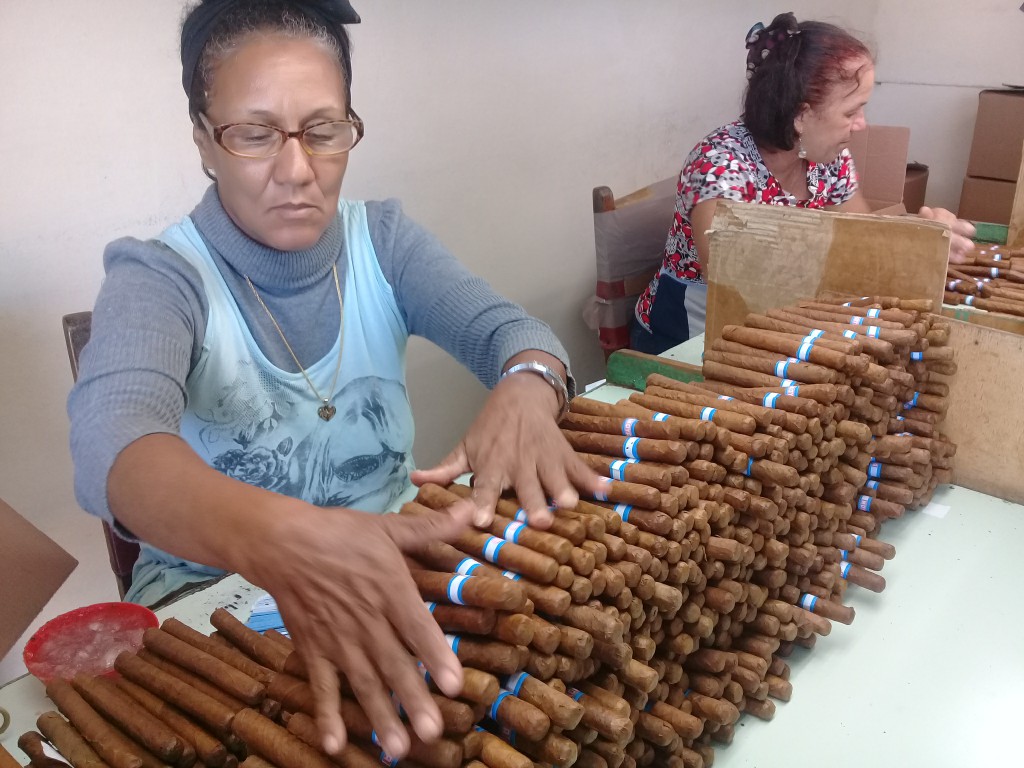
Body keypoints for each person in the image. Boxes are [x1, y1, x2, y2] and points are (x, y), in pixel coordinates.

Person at [67, 0, 600, 758]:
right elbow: (110, 445)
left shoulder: (381, 240)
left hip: (390, 578)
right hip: (210, 617)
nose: (297, 170)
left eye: (323, 131)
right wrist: (279, 537)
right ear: (203, 143)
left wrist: (528, 383)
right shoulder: (159, 278)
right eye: (254, 135)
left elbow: (515, 333)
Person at [632, 12, 976, 355]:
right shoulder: (721, 168)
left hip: (780, 324)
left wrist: (918, 237)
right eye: (851, 112)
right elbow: (735, 286)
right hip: (689, 336)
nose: (861, 125)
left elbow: (862, 235)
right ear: (800, 116)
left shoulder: (826, 157)